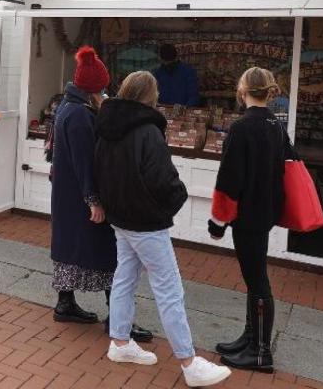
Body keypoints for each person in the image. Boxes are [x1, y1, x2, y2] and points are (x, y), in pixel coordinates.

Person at [95, 71, 232, 387]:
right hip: (145, 221)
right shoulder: (147, 131)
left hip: (121, 218)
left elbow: (99, 168)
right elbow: (163, 178)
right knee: (169, 288)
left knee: (125, 278)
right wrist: (176, 198)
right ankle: (188, 362)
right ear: (150, 96)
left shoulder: (106, 127)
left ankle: (119, 341)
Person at [50, 46, 151, 343]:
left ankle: (65, 302)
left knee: (69, 248)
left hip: (67, 195)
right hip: (81, 197)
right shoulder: (80, 116)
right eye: (103, 86)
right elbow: (85, 161)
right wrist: (93, 199)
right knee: (111, 256)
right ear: (94, 88)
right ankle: (117, 318)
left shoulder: (68, 107)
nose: (106, 90)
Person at [209, 67, 294, 373]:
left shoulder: (242, 127)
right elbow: (289, 164)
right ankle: (249, 338)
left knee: (257, 280)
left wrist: (218, 222)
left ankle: (260, 352)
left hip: (247, 215)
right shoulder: (275, 125)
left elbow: (229, 179)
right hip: (266, 211)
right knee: (253, 277)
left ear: (242, 89)